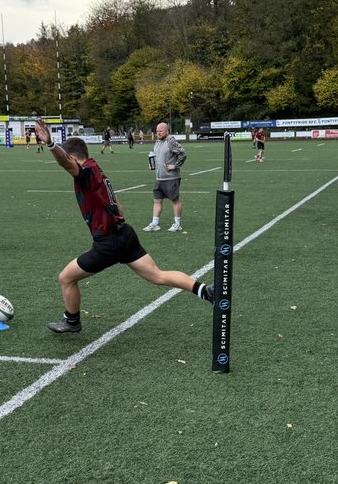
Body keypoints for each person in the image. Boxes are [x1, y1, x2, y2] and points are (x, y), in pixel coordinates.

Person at [33, 121, 213, 333]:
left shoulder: (84, 172)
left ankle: (72, 321)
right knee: (157, 275)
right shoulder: (95, 168)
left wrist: (52, 144)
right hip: (124, 234)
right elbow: (117, 203)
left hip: (108, 242)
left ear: (73, 157)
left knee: (66, 278)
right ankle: (206, 291)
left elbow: (66, 164)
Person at [143, 122, 187, 233]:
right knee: (157, 201)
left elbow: (183, 154)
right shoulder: (157, 143)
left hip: (171, 177)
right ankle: (155, 224)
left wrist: (175, 166)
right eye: (157, 131)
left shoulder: (171, 142)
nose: (158, 133)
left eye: (160, 131)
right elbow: (157, 157)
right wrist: (153, 165)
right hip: (159, 178)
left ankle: (177, 224)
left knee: (175, 200)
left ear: (167, 131)